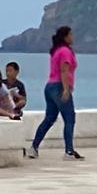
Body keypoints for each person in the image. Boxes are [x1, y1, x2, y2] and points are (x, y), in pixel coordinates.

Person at [26, 26, 81, 160]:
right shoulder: (65, 51)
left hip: (49, 87)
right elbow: (64, 71)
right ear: (65, 37)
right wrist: (66, 89)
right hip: (59, 87)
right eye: (70, 34)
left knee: (50, 118)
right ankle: (68, 151)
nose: (72, 37)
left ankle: (34, 147)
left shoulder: (56, 51)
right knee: (69, 118)